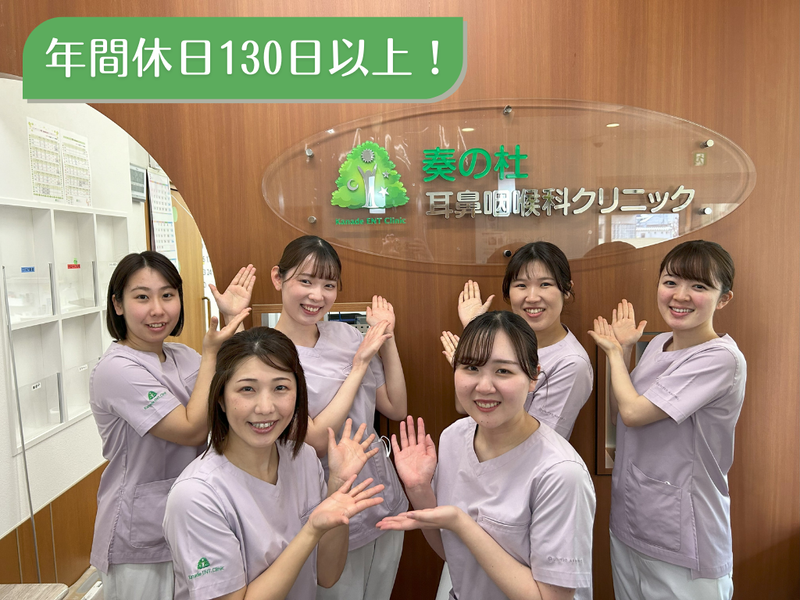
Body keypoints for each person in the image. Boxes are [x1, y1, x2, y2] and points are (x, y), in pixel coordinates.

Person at [381, 311, 595, 600]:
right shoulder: (454, 437)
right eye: (471, 367)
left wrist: (461, 524)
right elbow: (453, 553)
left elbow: (552, 598)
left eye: (503, 371)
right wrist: (419, 489)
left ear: (533, 376)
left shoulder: (560, 473)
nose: (483, 386)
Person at [164, 327, 385, 600]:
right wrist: (310, 530)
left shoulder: (302, 458)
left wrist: (338, 486)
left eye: (280, 387)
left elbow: (328, 575)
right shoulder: (196, 496)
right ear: (220, 398)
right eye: (247, 389)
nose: (265, 407)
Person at [89, 251, 254, 600]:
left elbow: (241, 383)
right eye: (142, 297)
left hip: (193, 516)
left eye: (167, 295)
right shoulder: (116, 369)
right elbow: (191, 430)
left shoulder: (183, 356)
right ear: (117, 304)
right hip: (140, 531)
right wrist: (211, 354)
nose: (158, 309)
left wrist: (232, 317)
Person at [589, 240, 745, 600]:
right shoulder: (659, 344)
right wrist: (625, 350)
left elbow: (633, 413)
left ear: (723, 299)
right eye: (671, 282)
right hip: (632, 518)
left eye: (699, 286)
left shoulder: (721, 359)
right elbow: (620, 414)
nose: (680, 295)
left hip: (686, 532)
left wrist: (613, 354)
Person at [270, 235, 408, 600]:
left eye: (328, 285)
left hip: (381, 495)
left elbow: (395, 407)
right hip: (325, 505)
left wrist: (387, 339)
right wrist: (359, 365)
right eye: (305, 281)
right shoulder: (267, 355)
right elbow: (316, 439)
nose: (317, 295)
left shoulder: (346, 335)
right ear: (278, 278)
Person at [442, 241, 592, 440]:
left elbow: (538, 441)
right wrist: (476, 334)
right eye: (521, 285)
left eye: (545, 284)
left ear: (566, 290)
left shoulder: (571, 364)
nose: (532, 297)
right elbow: (464, 407)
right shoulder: (502, 340)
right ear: (508, 292)